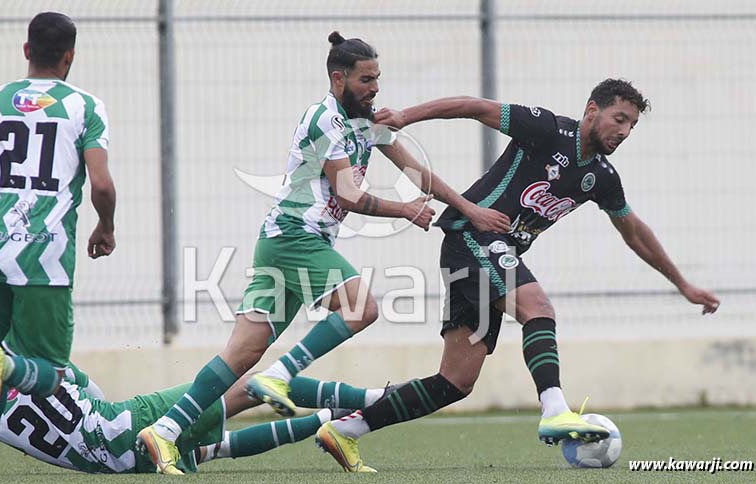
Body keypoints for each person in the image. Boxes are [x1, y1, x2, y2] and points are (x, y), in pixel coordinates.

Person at [137, 31, 509, 474]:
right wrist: (405, 210)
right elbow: (348, 195)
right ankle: (279, 376)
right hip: (295, 237)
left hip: (286, 244)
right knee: (361, 306)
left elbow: (416, 171)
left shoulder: (366, 120)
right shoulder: (326, 121)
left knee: (240, 355)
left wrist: (469, 208)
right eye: (366, 80)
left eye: (378, 79)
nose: (375, 89)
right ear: (338, 79)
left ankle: (163, 431)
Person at [315, 79, 721, 471]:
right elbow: (473, 106)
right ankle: (555, 409)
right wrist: (406, 116)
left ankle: (346, 429)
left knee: (455, 382)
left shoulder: (602, 176)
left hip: (486, 255)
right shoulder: (547, 129)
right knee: (537, 306)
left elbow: (633, 231)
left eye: (632, 124)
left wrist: (683, 284)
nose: (625, 130)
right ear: (592, 111)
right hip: (471, 237)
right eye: (619, 118)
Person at [0, 11, 116, 484]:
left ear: (25, 51)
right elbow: (101, 184)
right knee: (50, 372)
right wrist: (106, 226)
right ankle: (9, 363)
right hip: (45, 255)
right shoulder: (85, 107)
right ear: (69, 57)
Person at [0, 315, 396, 476]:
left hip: (118, 465)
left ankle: (327, 424)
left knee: (221, 446)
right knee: (246, 385)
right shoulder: (43, 365)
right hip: (128, 422)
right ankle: (375, 398)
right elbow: (95, 393)